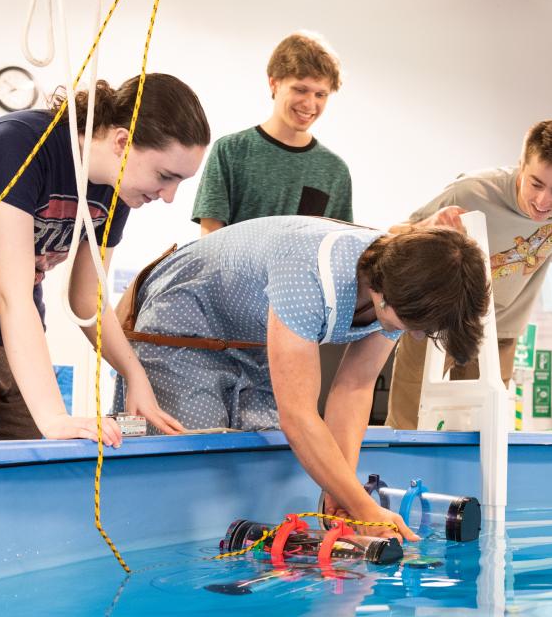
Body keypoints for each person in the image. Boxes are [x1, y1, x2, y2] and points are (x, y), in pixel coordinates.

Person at [114, 211, 488, 539]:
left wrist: (343, 493)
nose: (417, 335)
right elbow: (300, 416)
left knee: (269, 458)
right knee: (197, 459)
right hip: (184, 326)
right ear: (383, 295)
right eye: (415, 325)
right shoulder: (309, 272)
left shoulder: (398, 289)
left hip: (252, 341)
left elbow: (355, 387)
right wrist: (365, 509)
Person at [0, 74, 210, 444]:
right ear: (122, 141)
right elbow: (10, 293)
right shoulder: (19, 145)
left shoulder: (117, 190)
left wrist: (134, 374)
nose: (168, 196)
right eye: (165, 176)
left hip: (21, 337)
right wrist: (54, 416)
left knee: (30, 471)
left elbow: (87, 299)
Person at [385, 119, 552, 430]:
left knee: (482, 433)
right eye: (535, 183)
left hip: (501, 329)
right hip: (438, 321)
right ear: (522, 166)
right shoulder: (471, 191)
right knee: (407, 424)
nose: (542, 201)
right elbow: (393, 237)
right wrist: (432, 225)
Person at [192, 31, 352, 233]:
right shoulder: (231, 151)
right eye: (300, 90)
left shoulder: (335, 171)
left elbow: (335, 245)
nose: (310, 104)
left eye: (320, 94)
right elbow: (210, 239)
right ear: (274, 83)